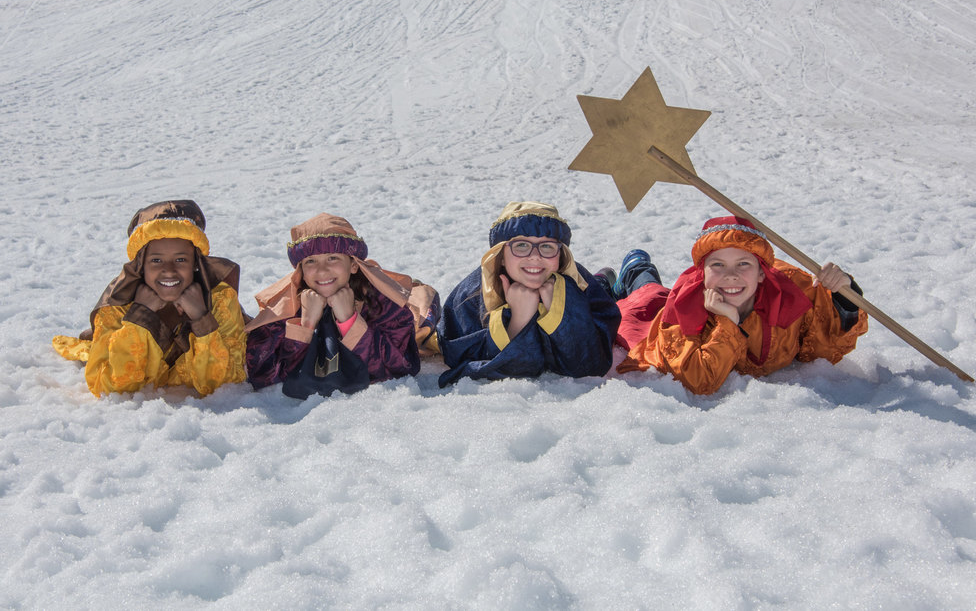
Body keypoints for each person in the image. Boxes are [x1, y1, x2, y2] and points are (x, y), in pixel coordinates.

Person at [609, 216, 868, 395]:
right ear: (702, 272)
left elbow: (826, 347)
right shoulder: (685, 304)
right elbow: (698, 381)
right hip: (656, 324)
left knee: (652, 296)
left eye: (743, 264)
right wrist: (728, 322)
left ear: (762, 273)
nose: (730, 275)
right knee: (645, 299)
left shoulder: (792, 290)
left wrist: (844, 293)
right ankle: (634, 266)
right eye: (717, 264)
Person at [52, 200, 247, 397]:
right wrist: (140, 317)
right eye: (156, 260)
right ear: (140, 265)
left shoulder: (220, 299)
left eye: (181, 260)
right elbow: (109, 387)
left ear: (196, 263)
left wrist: (201, 318)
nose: (169, 271)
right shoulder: (118, 305)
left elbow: (227, 382)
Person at [244, 214, 436, 399]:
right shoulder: (285, 309)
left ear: (353, 265)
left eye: (333, 258)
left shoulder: (381, 303)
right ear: (300, 270)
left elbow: (400, 368)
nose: (322, 270)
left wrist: (350, 322)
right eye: (311, 261)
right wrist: (305, 326)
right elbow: (264, 374)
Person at [437, 201, 621, 386]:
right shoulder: (470, 296)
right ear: (500, 255)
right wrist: (518, 322)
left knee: (600, 286)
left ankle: (604, 280)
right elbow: (466, 365)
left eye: (547, 246)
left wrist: (559, 314)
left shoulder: (580, 285)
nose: (535, 256)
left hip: (595, 285)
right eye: (522, 245)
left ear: (561, 254)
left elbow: (591, 365)